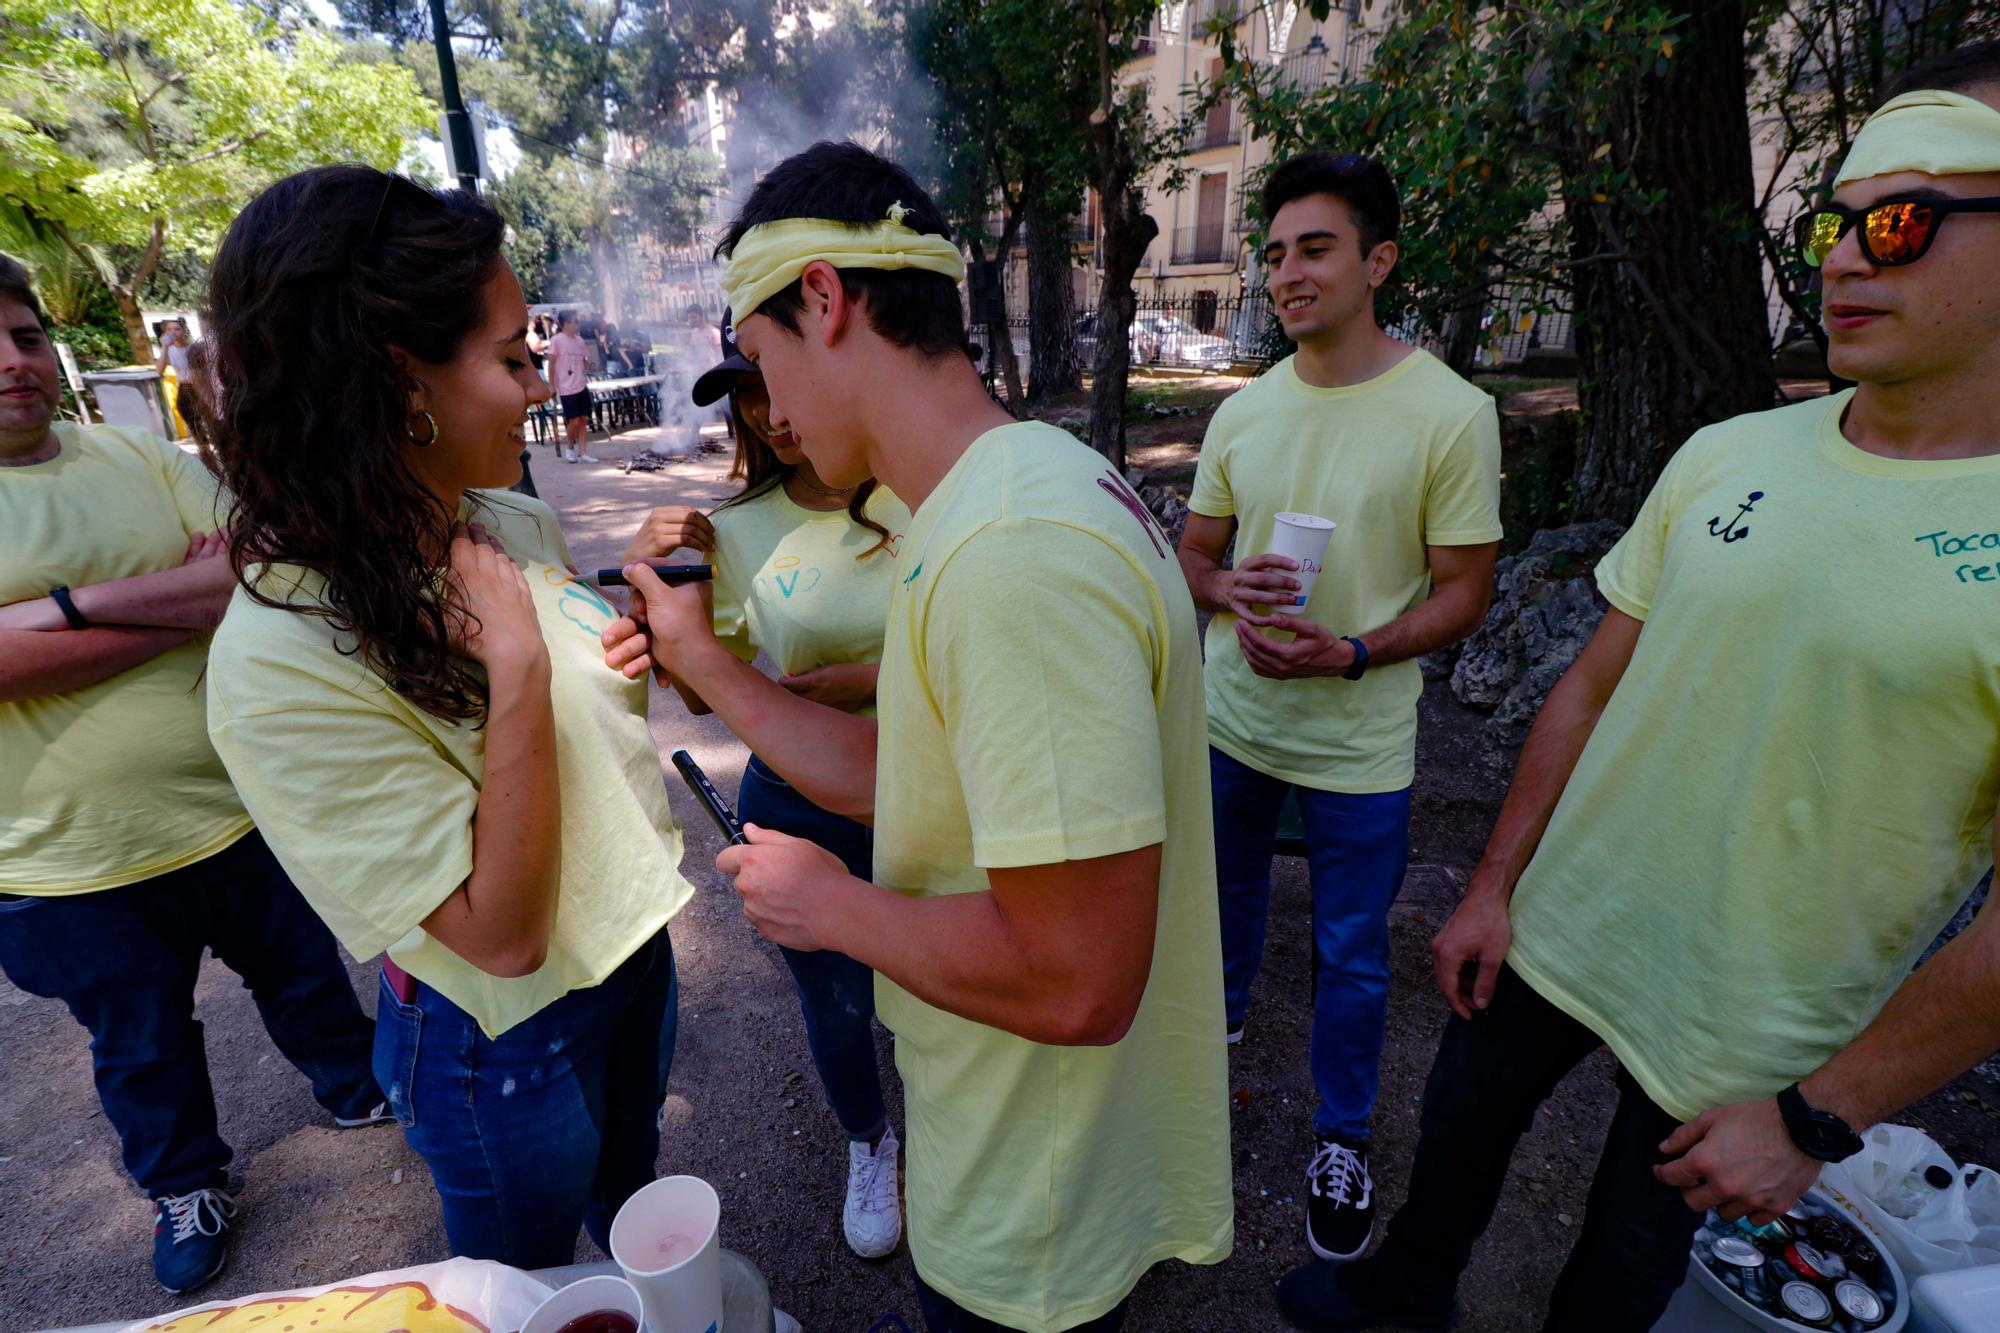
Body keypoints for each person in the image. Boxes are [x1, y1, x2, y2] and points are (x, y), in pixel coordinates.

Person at [1276, 45, 2000, 1333]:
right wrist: (1493, 883)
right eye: (1831, 226)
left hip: (1750, 1032)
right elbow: (1590, 686)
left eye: (1898, 225)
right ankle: (1398, 1298)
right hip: (1564, 925)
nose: (1840, 259)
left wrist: (1820, 1112)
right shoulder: (1728, 450)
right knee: (1451, 1143)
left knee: (1617, 1274)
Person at [604, 141, 1232, 1333]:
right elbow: (915, 778)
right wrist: (702, 660)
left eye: (760, 357)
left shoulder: (1011, 557)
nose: (767, 408)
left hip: (1031, 1180)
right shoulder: (1018, 485)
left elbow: (1079, 976)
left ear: (825, 301)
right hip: (1018, 1123)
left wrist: (828, 906)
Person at [200, 166, 698, 1268]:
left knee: (634, 1229)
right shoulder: (279, 656)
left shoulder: (506, 520)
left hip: (631, 945)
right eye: (513, 356)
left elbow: (564, 726)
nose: (539, 386)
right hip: (501, 1031)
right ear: (399, 380)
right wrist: (520, 668)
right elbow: (503, 938)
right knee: (520, 1282)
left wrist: (600, 655)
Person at [0, 255, 388, 1297]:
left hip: (235, 806)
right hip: (70, 859)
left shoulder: (132, 453)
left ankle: (359, 1086)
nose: (13, 361)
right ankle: (185, 1184)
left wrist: (55, 611)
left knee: (304, 971)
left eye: (27, 335)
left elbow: (246, 570)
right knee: (140, 1043)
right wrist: (162, 593)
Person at [1175, 151, 1501, 1262]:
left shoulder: (1449, 414)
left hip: (1359, 745)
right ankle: (1200, 1066)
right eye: (1271, 254)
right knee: (1215, 913)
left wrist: (1352, 649)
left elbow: (1465, 591)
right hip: (1231, 724)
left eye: (1312, 248)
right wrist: (1221, 589)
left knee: (1353, 956)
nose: (1283, 273)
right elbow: (1193, 555)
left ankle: (1341, 1139)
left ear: (1378, 261)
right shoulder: (1243, 413)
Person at [627, 309, 913, 1259]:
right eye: (747, 393)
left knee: (945, 981)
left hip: (932, 792)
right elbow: (717, 698)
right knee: (835, 1002)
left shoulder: (924, 492)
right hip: (795, 801)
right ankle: (870, 1140)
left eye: (772, 379)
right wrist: (659, 622)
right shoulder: (735, 529)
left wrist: (872, 683)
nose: (770, 412)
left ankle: (955, 1130)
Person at [548, 309, 599, 464]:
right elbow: (551, 364)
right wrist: (552, 386)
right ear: (565, 323)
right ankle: (570, 448)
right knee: (574, 421)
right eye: (575, 321)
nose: (579, 324)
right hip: (566, 387)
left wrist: (590, 366)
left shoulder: (580, 341)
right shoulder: (557, 340)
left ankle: (583, 453)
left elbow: (584, 361)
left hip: (581, 385)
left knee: (583, 419)